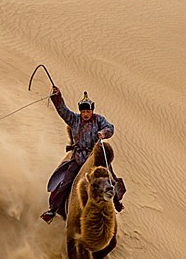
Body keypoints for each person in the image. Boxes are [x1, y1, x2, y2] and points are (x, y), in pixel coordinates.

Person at [40, 87, 124, 223]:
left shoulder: (98, 120)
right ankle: (53, 209)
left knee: (110, 179)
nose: (85, 114)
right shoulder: (74, 119)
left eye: (88, 111)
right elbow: (63, 111)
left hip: (94, 157)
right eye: (83, 111)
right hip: (78, 158)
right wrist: (57, 97)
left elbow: (110, 128)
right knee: (66, 183)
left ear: (92, 110)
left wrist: (103, 133)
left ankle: (116, 203)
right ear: (80, 111)